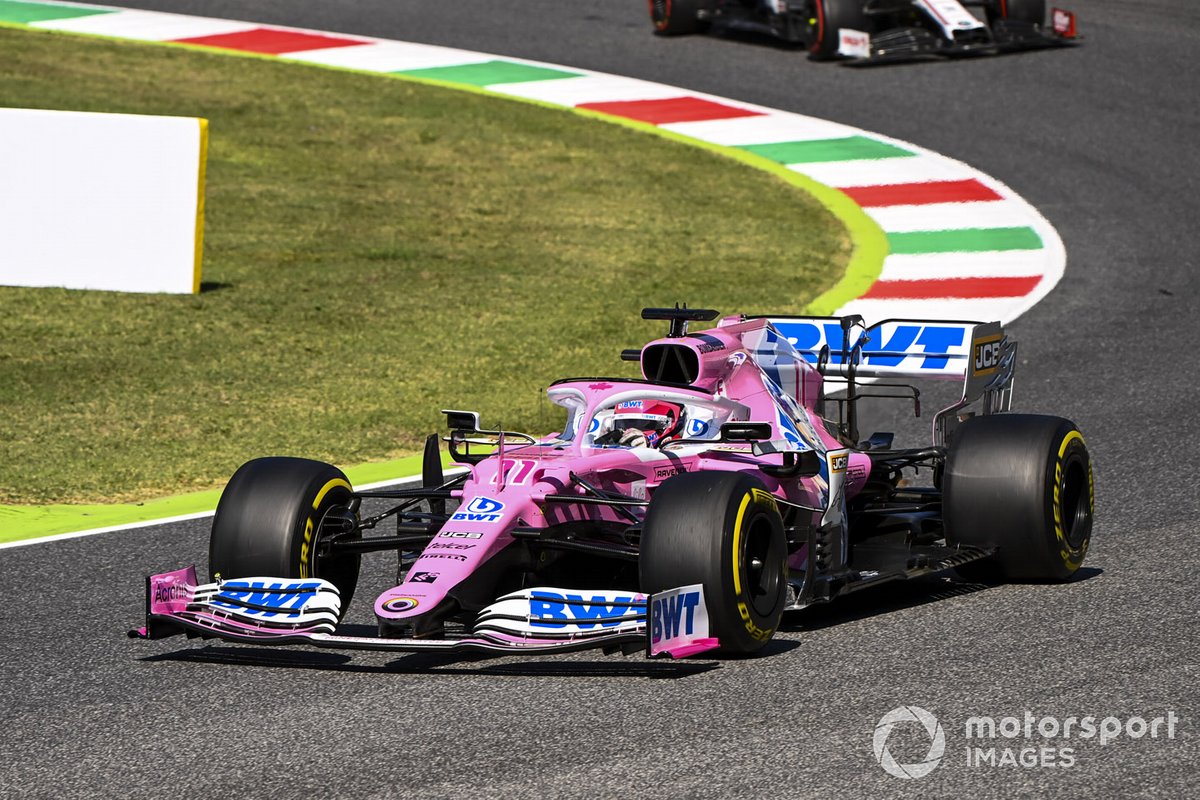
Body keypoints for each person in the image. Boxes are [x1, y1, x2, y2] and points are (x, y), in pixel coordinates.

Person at [595, 399, 685, 448]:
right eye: (623, 424)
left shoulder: (677, 446)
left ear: (666, 424)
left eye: (641, 424)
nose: (630, 431)